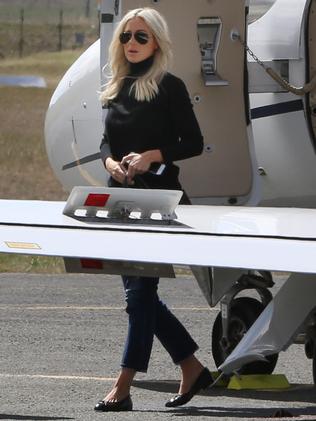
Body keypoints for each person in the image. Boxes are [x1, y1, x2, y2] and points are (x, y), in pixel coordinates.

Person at [95, 7, 212, 412]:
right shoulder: (116, 87)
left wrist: (152, 156)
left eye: (141, 37)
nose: (132, 43)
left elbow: (194, 143)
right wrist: (110, 163)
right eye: (127, 36)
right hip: (120, 200)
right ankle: (191, 365)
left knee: (139, 295)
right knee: (138, 295)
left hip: (159, 200)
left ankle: (123, 385)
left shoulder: (169, 86)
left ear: (157, 42)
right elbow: (105, 143)